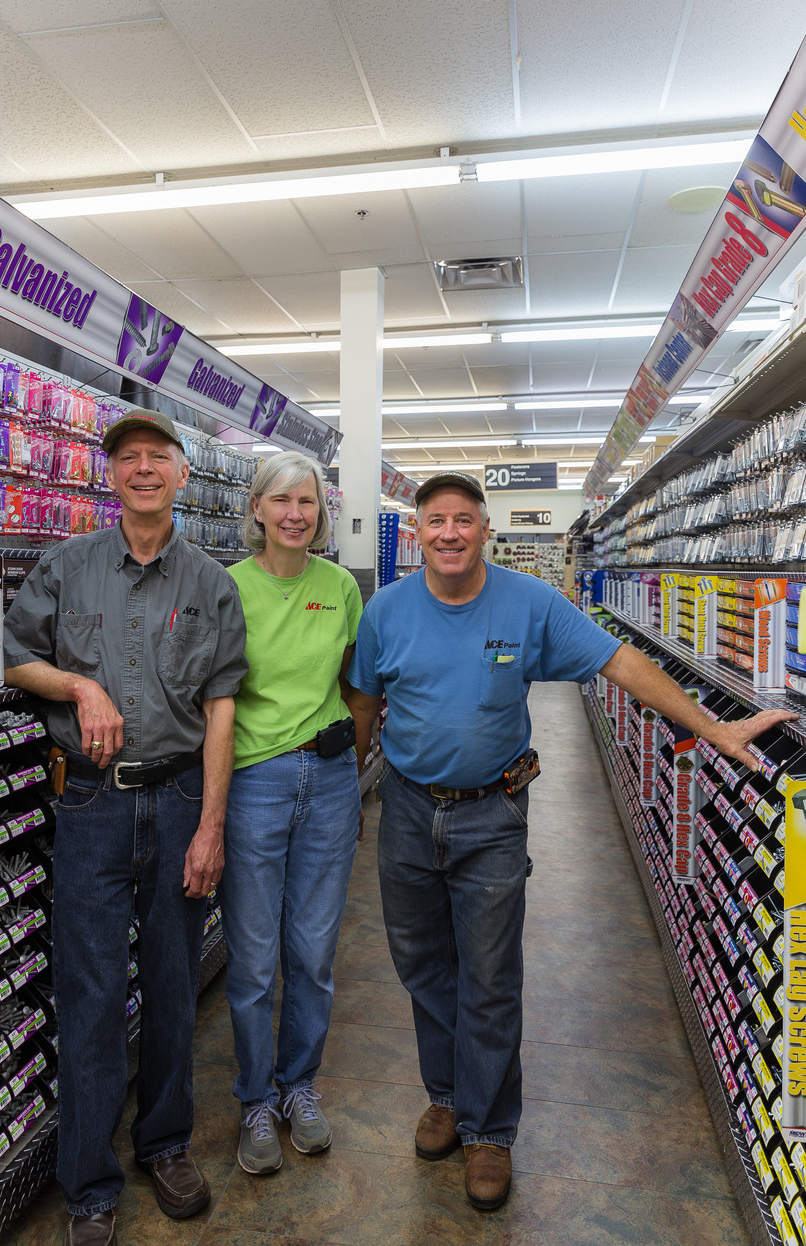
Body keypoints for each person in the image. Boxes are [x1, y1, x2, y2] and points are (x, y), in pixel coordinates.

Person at [345, 470, 795, 1214]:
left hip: (492, 814)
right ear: (417, 532)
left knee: (490, 976)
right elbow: (364, 698)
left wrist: (712, 726)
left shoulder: (530, 601)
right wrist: (348, 793)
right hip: (407, 810)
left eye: (464, 520)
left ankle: (490, 1130)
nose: (449, 533)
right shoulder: (385, 611)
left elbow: (620, 662)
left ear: (485, 530)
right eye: (436, 521)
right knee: (423, 966)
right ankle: (447, 1096)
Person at [3, 408, 248, 1246]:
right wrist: (79, 686)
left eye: (158, 456)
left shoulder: (212, 583)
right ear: (110, 475)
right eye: (128, 457)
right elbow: (17, 658)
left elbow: (222, 710)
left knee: (175, 985)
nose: (144, 468)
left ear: (183, 472)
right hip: (91, 804)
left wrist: (212, 826)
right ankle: (89, 1182)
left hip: (179, 800)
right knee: (92, 993)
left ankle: (165, 1144)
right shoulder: (65, 565)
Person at [219, 450, 363, 1176]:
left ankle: (298, 1086)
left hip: (331, 781)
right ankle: (255, 1099)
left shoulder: (340, 586)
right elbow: (214, 699)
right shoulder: (227, 587)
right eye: (280, 500)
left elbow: (356, 681)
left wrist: (350, 762)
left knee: (312, 953)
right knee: (252, 960)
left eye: (307, 501)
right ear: (257, 509)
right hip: (254, 784)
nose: (295, 514)